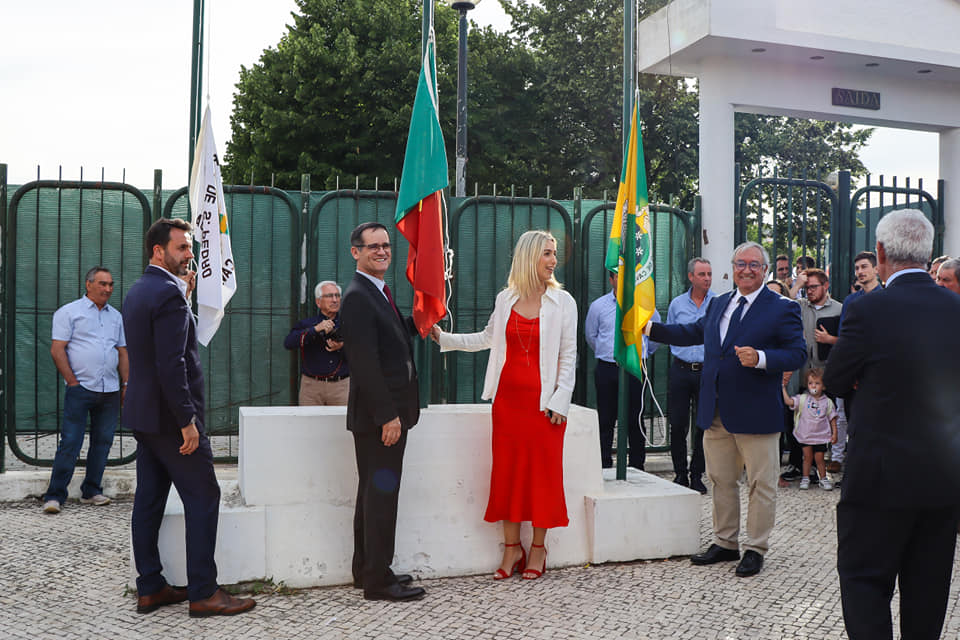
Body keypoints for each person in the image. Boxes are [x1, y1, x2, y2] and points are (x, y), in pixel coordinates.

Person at [824, 208, 960, 640]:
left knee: (865, 582)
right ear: (929, 253)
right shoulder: (956, 308)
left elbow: (835, 379)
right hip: (943, 478)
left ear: (880, 253)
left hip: (877, 479)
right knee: (929, 589)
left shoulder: (867, 309)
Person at [646, 241, 806, 578]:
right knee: (720, 479)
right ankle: (725, 542)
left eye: (754, 264)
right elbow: (693, 332)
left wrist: (762, 358)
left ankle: (755, 548)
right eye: (740, 263)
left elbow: (796, 353)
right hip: (715, 409)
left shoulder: (782, 307)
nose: (746, 269)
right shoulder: (719, 303)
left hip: (756, 411)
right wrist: (648, 328)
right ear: (731, 268)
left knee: (761, 484)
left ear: (764, 270)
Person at [124, 218, 255, 617]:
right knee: (204, 495)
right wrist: (187, 422)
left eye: (189, 248)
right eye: (181, 248)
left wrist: (185, 293)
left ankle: (150, 587)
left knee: (148, 500)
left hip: (145, 417)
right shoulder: (167, 295)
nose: (189, 255)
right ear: (157, 251)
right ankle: (203, 592)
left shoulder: (139, 290)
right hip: (171, 421)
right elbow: (171, 364)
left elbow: (167, 345)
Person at [432, 230, 577, 582]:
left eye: (554, 254)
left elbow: (569, 356)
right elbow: (487, 338)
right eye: (546, 253)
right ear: (529, 257)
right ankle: (512, 548)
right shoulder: (505, 299)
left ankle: (539, 549)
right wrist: (444, 337)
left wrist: (561, 400)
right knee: (508, 473)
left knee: (543, 476)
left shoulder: (564, 302)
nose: (553, 261)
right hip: (508, 403)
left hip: (544, 406)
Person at [339, 222, 425, 602]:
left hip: (383, 414)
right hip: (381, 418)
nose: (382, 251)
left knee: (371, 496)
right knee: (381, 498)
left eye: (386, 245)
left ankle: (367, 569)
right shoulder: (358, 295)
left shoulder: (377, 292)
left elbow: (386, 339)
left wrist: (418, 324)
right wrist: (388, 415)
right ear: (355, 252)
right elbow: (364, 362)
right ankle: (377, 581)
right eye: (372, 246)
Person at [41, 267, 128, 514]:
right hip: (81, 388)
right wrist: (72, 382)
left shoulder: (116, 317)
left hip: (110, 389)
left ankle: (91, 491)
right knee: (70, 442)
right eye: (102, 284)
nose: (108, 289)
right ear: (88, 284)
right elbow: (58, 349)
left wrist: (126, 384)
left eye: (111, 284)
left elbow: (122, 352)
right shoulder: (69, 313)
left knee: (103, 441)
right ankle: (55, 495)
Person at [584, 270, 660, 471]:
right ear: (611, 279)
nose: (623, 280)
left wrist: (641, 355)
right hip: (608, 368)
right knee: (606, 419)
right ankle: (603, 466)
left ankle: (637, 465)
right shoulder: (598, 306)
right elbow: (592, 336)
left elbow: (654, 338)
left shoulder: (645, 306)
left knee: (636, 418)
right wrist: (610, 354)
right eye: (618, 276)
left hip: (635, 367)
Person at [664, 257, 715, 493]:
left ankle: (697, 475)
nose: (707, 278)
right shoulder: (676, 304)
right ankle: (680, 474)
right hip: (681, 370)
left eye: (709, 274)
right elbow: (673, 333)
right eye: (702, 274)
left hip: (707, 371)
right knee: (678, 424)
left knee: (703, 424)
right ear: (691, 277)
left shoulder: (717, 303)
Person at [283, 280, 349, 405]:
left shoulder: (349, 324)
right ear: (318, 302)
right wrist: (315, 330)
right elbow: (289, 343)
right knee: (308, 424)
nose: (335, 300)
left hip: (341, 387)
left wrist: (341, 347)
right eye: (329, 296)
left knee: (341, 424)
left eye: (337, 295)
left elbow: (361, 354)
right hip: (311, 388)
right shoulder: (307, 324)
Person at [781, 368, 837, 491]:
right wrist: (783, 388)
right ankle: (805, 477)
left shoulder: (827, 402)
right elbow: (789, 402)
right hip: (806, 435)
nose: (813, 386)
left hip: (821, 436)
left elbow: (832, 418)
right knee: (807, 457)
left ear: (823, 386)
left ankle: (823, 478)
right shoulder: (802, 399)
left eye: (817, 383)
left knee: (820, 459)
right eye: (811, 383)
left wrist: (834, 433)